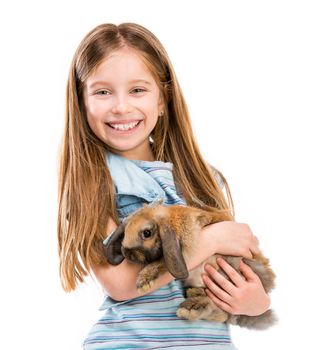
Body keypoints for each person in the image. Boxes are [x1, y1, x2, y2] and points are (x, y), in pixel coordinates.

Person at [58, 22, 271, 349]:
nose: (121, 106)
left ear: (162, 99)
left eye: (137, 90)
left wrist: (256, 304)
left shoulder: (201, 177)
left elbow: (233, 273)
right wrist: (211, 238)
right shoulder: (94, 184)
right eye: (103, 91)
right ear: (81, 102)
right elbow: (121, 284)